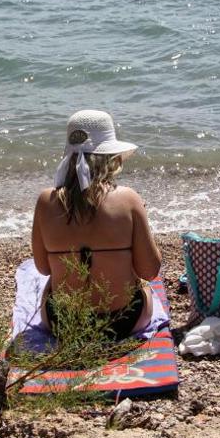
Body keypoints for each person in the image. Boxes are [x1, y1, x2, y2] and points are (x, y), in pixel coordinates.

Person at [32, 109, 163, 343]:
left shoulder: (45, 201)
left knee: (50, 285)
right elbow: (150, 270)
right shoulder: (128, 199)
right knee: (141, 282)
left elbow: (43, 268)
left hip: (62, 324)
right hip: (123, 322)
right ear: (111, 156)